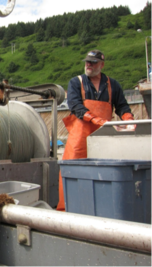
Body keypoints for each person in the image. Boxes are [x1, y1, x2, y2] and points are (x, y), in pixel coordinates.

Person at [57, 50, 134, 211]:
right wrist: (97, 120)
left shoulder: (113, 85)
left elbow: (122, 106)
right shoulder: (76, 82)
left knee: (104, 172)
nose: (88, 65)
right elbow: (76, 106)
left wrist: (129, 120)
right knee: (71, 171)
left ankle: (103, 208)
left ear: (102, 64)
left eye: (93, 62)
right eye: (87, 62)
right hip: (80, 138)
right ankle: (68, 210)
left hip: (103, 137)